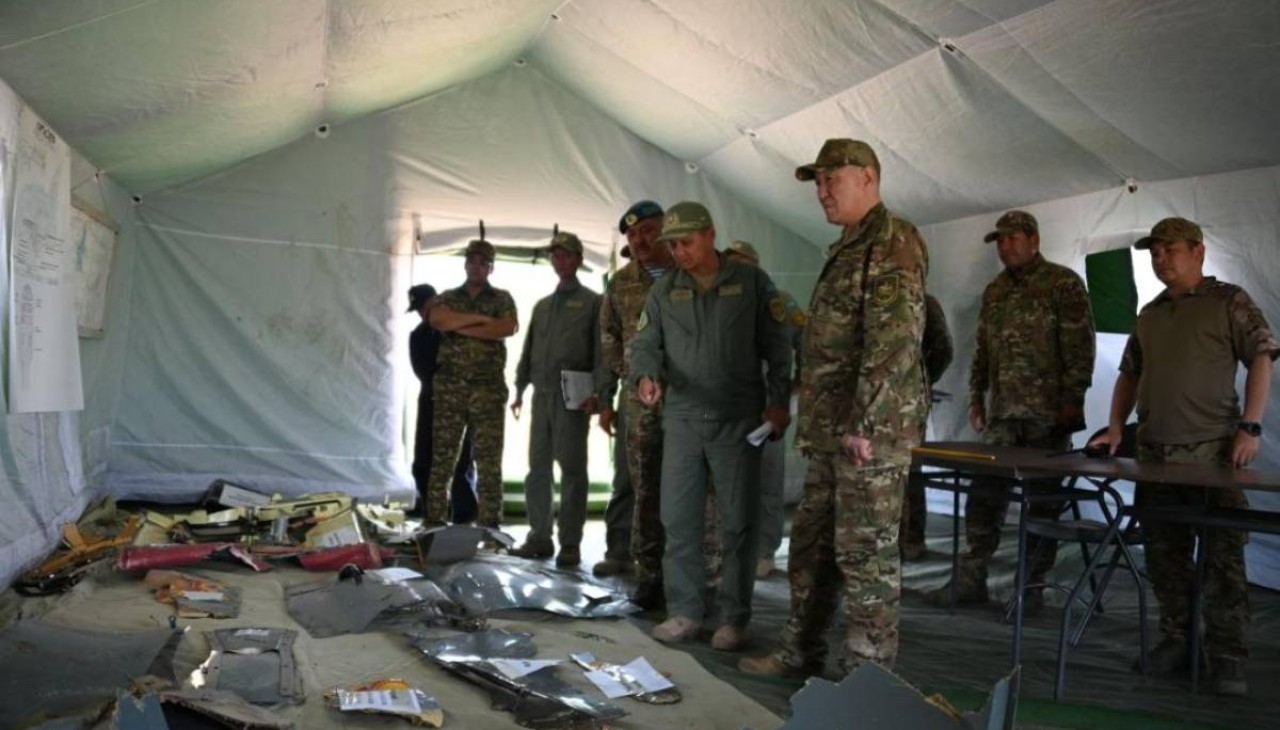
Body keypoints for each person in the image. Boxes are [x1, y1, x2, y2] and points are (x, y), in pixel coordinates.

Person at [740, 138, 928, 677]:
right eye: (817, 182)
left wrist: (865, 422)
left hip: (868, 435)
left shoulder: (893, 241)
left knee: (865, 558)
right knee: (812, 548)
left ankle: (866, 677)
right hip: (831, 430)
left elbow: (895, 340)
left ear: (868, 177)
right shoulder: (847, 246)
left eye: (832, 179)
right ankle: (800, 650)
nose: (822, 191)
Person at [1090, 217, 1277, 697]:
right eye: (1154, 252)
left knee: (1222, 559)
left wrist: (1250, 426)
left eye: (1169, 249)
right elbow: (1130, 373)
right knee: (1165, 555)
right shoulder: (1150, 314)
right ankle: (1178, 640)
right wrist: (1115, 426)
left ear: (1198, 251)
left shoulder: (1228, 301)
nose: (1160, 259)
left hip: (1213, 453)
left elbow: (1262, 355)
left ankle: (1227, 656)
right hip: (1156, 455)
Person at [630, 201, 792, 651]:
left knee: (738, 523)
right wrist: (645, 376)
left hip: (737, 419)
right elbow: (646, 344)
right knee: (679, 520)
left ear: (709, 234)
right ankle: (685, 612)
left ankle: (733, 618)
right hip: (683, 419)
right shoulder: (665, 290)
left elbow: (778, 348)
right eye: (672, 245)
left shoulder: (752, 283)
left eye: (686, 242)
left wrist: (778, 402)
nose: (678, 252)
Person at [924, 210, 1096, 612]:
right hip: (1003, 415)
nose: (1004, 247)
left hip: (1047, 416)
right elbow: (982, 349)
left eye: (1012, 238)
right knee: (984, 494)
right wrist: (977, 397)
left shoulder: (1063, 284)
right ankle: (972, 579)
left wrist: (1073, 399)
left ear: (1034, 240)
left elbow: (1079, 347)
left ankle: (1030, 588)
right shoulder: (996, 290)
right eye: (999, 241)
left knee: (1043, 503)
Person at [509, 232, 602, 567]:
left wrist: (600, 393)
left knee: (573, 470)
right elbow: (529, 348)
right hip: (541, 394)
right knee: (537, 469)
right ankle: (539, 536)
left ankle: (570, 543)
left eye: (566, 255)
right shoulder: (543, 306)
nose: (560, 262)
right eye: (555, 256)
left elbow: (602, 352)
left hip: (572, 395)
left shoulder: (594, 303)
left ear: (578, 259)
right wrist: (519, 388)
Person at [723, 239, 806, 579]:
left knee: (768, 480)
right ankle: (730, 549)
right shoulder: (720, 299)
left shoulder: (781, 301)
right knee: (728, 480)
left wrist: (797, 384)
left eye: (742, 262)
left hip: (768, 404)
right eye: (730, 263)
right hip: (728, 404)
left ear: (756, 265)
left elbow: (808, 342)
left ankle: (764, 550)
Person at [425, 239, 519, 528]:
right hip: (450, 390)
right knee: (442, 459)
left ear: (491, 268)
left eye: (483, 263)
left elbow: (506, 327)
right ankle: (434, 522)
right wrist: (479, 320)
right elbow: (437, 319)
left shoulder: (502, 298)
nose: (476, 267)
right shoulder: (447, 297)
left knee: (489, 462)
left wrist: (460, 325)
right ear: (465, 264)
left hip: (488, 391)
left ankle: (490, 527)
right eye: (472, 261)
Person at [407, 283, 478, 523]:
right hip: (432, 402)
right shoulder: (418, 336)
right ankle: (433, 513)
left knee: (461, 464)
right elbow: (424, 372)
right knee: (423, 462)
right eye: (419, 310)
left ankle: (464, 519)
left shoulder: (457, 329)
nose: (423, 313)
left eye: (426, 306)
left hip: (461, 404)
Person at [899, 293, 953, 560]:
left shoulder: (925, 301)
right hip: (875, 404)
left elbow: (943, 349)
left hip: (909, 403)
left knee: (910, 470)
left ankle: (912, 539)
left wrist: (922, 381)